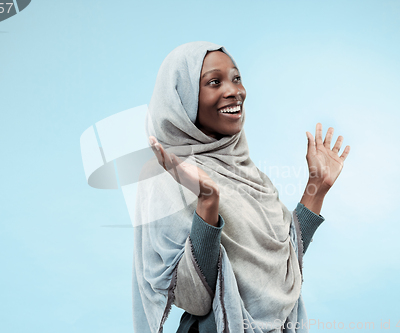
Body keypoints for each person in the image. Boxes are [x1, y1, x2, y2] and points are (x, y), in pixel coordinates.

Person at [132, 41, 350, 333]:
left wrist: (317, 187)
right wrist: (207, 203)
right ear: (182, 97)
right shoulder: (164, 175)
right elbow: (194, 298)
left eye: (236, 78)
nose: (234, 90)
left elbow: (284, 263)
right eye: (214, 82)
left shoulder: (248, 172)